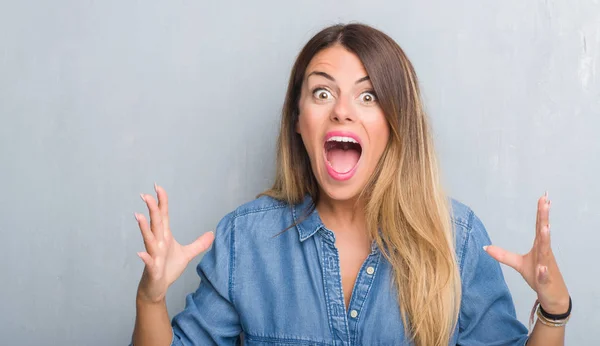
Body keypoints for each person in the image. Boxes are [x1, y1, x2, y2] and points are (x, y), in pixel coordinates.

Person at [131, 23, 571, 346]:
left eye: (368, 96)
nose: (342, 111)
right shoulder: (244, 242)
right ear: (298, 123)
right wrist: (151, 301)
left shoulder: (458, 239)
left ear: (396, 124)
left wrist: (553, 312)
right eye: (322, 93)